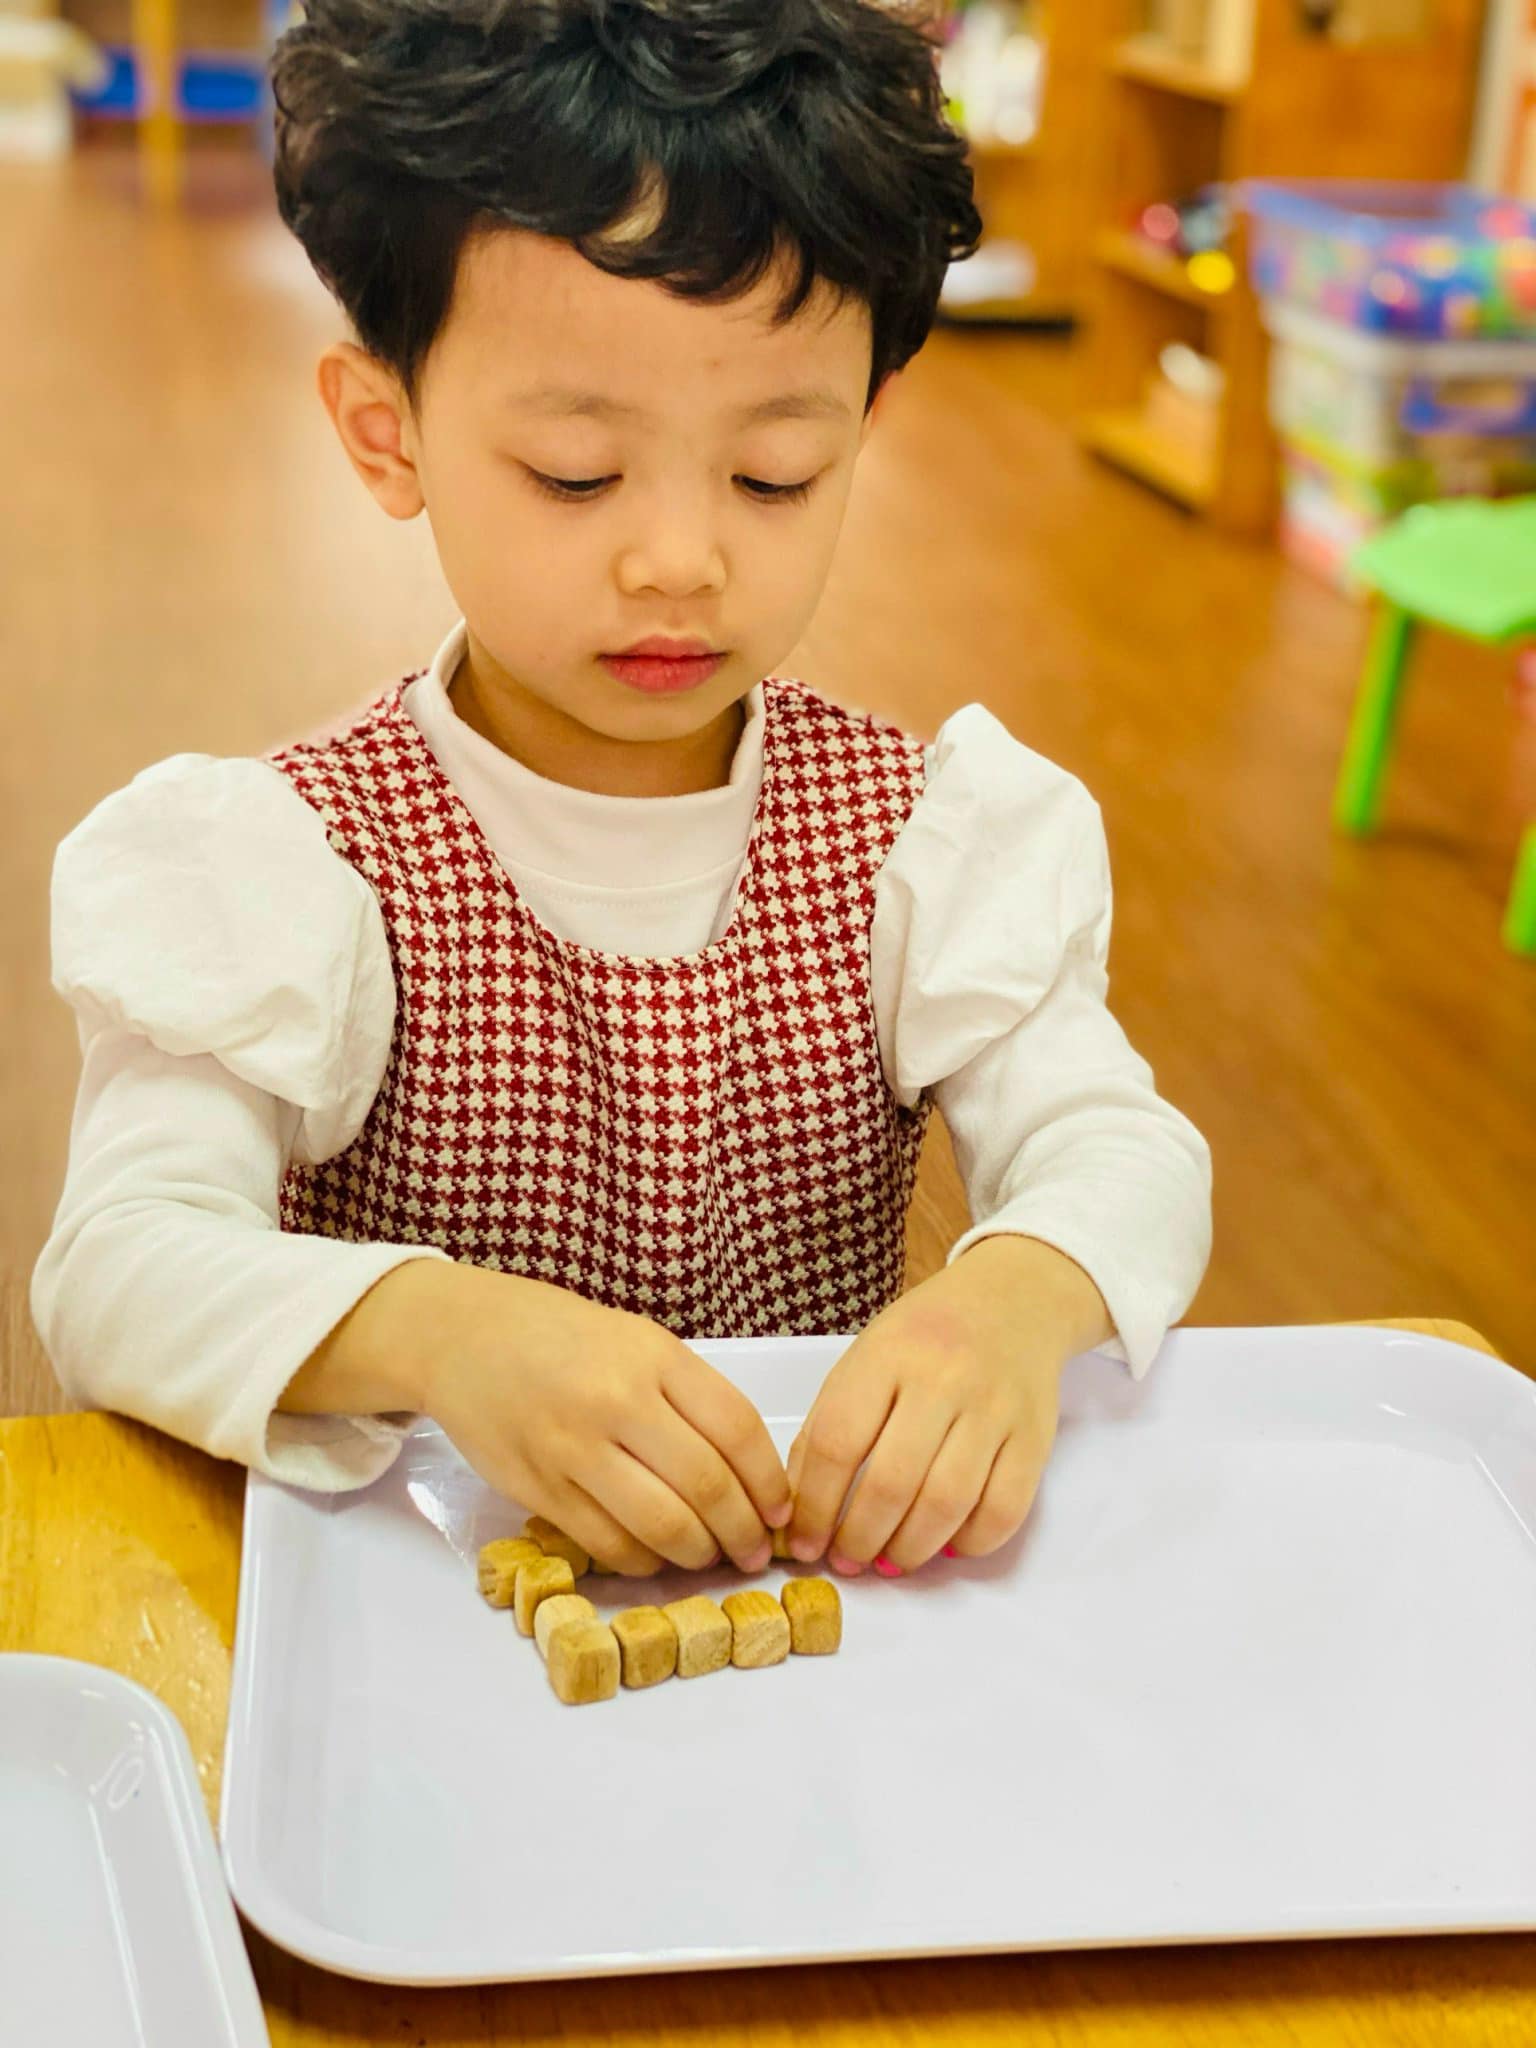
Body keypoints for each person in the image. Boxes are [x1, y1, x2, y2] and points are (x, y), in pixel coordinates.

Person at [33, 0, 1211, 1586]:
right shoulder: (298, 863)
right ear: (389, 435)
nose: (680, 558)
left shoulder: (925, 837)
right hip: (420, 1611)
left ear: (863, 430)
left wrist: (1017, 1296)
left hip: (808, 1606)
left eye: (776, 476)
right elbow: (116, 1268)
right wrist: (439, 1331)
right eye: (577, 475)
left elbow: (1122, 1148)